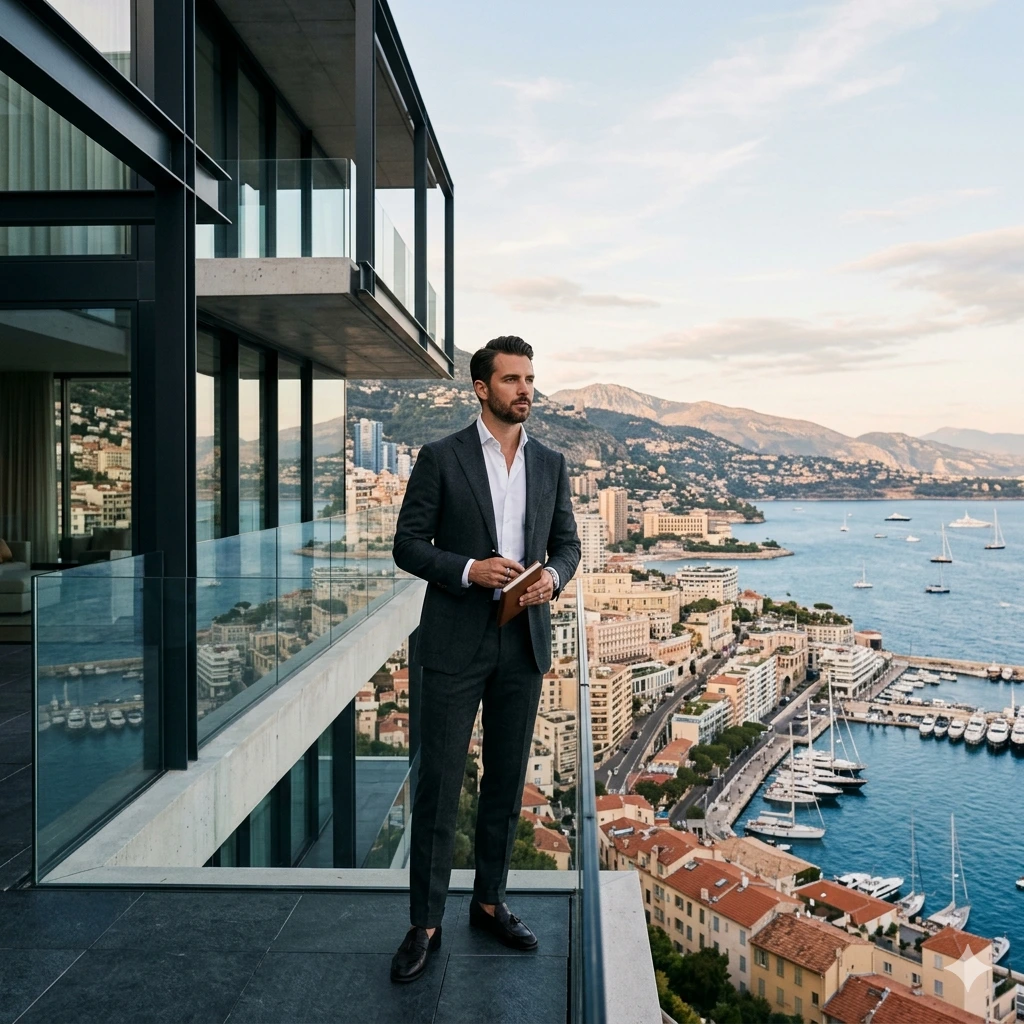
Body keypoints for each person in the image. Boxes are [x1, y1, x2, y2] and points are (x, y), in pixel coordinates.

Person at [389, 335, 581, 983]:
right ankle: (425, 923)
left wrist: (553, 577)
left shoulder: (551, 463)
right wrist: (469, 568)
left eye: (530, 378)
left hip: (523, 640)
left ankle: (491, 902)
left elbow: (568, 546)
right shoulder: (440, 457)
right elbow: (408, 545)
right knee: (440, 786)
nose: (525, 389)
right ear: (481, 388)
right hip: (452, 639)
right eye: (511, 380)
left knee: (504, 783)